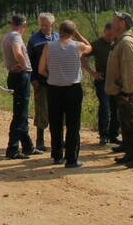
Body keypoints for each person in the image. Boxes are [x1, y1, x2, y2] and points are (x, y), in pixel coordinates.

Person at [38, 20, 91, 168]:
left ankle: (57, 155)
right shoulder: (77, 46)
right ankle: (72, 158)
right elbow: (89, 46)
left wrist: (51, 74)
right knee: (73, 124)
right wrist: (78, 34)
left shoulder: (48, 46)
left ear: (59, 31)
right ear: (72, 33)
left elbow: (41, 69)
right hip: (73, 88)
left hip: (54, 88)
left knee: (56, 123)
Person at [105, 11, 133, 169]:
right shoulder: (120, 41)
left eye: (114, 20)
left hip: (128, 92)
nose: (112, 22)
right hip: (122, 91)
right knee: (126, 123)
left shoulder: (127, 42)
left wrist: (127, 92)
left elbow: (131, 70)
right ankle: (131, 154)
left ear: (122, 23)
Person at [0, 14, 41, 159]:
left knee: (21, 112)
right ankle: (12, 149)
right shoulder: (16, 37)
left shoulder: (7, 36)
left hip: (14, 75)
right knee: (20, 114)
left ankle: (28, 147)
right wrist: (24, 65)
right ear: (24, 25)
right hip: (20, 76)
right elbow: (17, 52)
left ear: (12, 23)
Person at [81, 22, 120, 145]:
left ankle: (113, 134)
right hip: (102, 80)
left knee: (116, 108)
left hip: (116, 80)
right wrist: (92, 73)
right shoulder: (97, 44)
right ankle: (103, 134)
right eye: (108, 35)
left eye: (112, 35)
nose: (110, 38)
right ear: (104, 31)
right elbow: (82, 56)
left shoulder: (118, 43)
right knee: (104, 106)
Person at [27, 12, 58, 152]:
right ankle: (40, 141)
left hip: (57, 81)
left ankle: (58, 140)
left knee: (57, 111)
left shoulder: (58, 37)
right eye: (42, 25)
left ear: (52, 24)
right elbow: (29, 61)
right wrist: (32, 78)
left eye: (47, 25)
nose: (44, 27)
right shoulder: (34, 40)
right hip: (41, 81)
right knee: (41, 111)